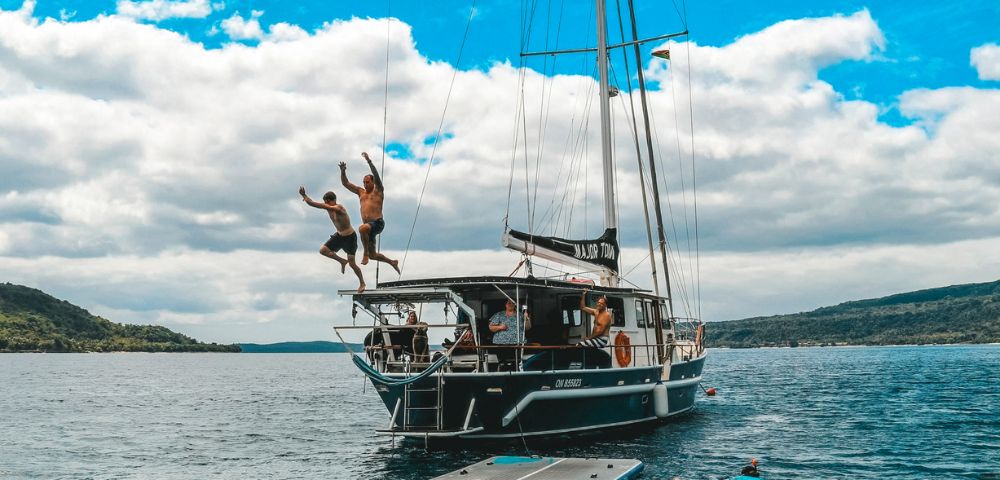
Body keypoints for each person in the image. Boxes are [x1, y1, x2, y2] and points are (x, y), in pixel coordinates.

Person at [340, 152, 400, 272]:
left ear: (373, 182)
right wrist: (343, 171)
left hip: (377, 223)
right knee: (374, 256)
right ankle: (392, 262)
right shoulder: (360, 192)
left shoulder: (378, 191)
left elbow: (377, 177)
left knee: (362, 228)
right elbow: (346, 183)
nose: (365, 184)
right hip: (368, 230)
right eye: (364, 182)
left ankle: (365, 253)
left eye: (367, 182)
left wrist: (369, 162)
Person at [299, 187, 365, 293]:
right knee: (323, 250)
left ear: (333, 200)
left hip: (350, 238)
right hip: (339, 236)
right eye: (325, 203)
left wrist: (308, 199)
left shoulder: (339, 208)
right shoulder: (328, 208)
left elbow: (315, 204)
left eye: (328, 203)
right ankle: (342, 261)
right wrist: (304, 195)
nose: (327, 205)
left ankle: (362, 282)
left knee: (352, 264)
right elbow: (312, 203)